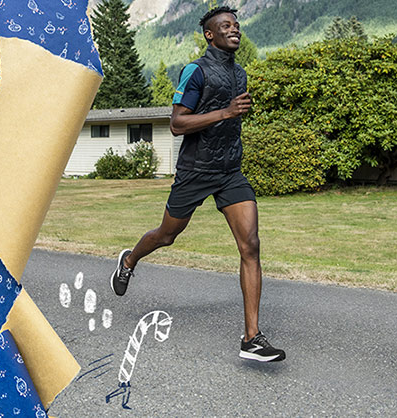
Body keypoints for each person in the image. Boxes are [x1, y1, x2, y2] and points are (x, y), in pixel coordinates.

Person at [110, 6, 285, 363]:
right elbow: (177, 123)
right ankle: (129, 260)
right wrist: (226, 112)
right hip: (195, 171)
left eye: (236, 25)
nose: (234, 29)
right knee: (166, 235)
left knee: (250, 245)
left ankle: (251, 338)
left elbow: (232, 120)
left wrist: (232, 128)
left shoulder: (241, 74)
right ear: (210, 34)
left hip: (229, 171)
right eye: (225, 26)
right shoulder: (196, 71)